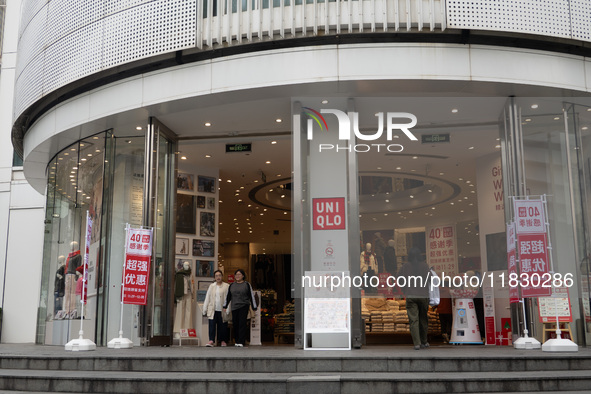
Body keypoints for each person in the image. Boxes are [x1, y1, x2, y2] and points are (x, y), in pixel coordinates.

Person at [398, 247, 430, 350]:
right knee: (423, 319)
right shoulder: (425, 266)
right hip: (423, 295)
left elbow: (399, 279)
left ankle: (417, 343)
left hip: (411, 295)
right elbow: (430, 280)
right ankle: (424, 342)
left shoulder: (405, 266)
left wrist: (405, 289)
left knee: (414, 321)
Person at [223, 269, 257, 347]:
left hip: (244, 306)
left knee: (242, 323)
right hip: (234, 307)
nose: (237, 276)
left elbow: (251, 296)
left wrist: (254, 306)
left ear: (243, 276)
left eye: (239, 274)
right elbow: (228, 296)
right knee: (235, 324)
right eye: (236, 275)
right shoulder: (232, 285)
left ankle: (241, 341)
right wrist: (225, 306)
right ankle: (237, 340)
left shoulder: (247, 284)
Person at [203, 270, 230, 347]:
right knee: (212, 325)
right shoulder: (212, 286)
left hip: (222, 309)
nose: (218, 277)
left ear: (222, 276)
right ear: (214, 277)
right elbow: (207, 297)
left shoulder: (226, 286)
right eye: (216, 276)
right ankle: (211, 340)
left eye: (219, 275)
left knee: (223, 326)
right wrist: (205, 309)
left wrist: (227, 308)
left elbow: (229, 299)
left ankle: (223, 340)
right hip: (213, 309)